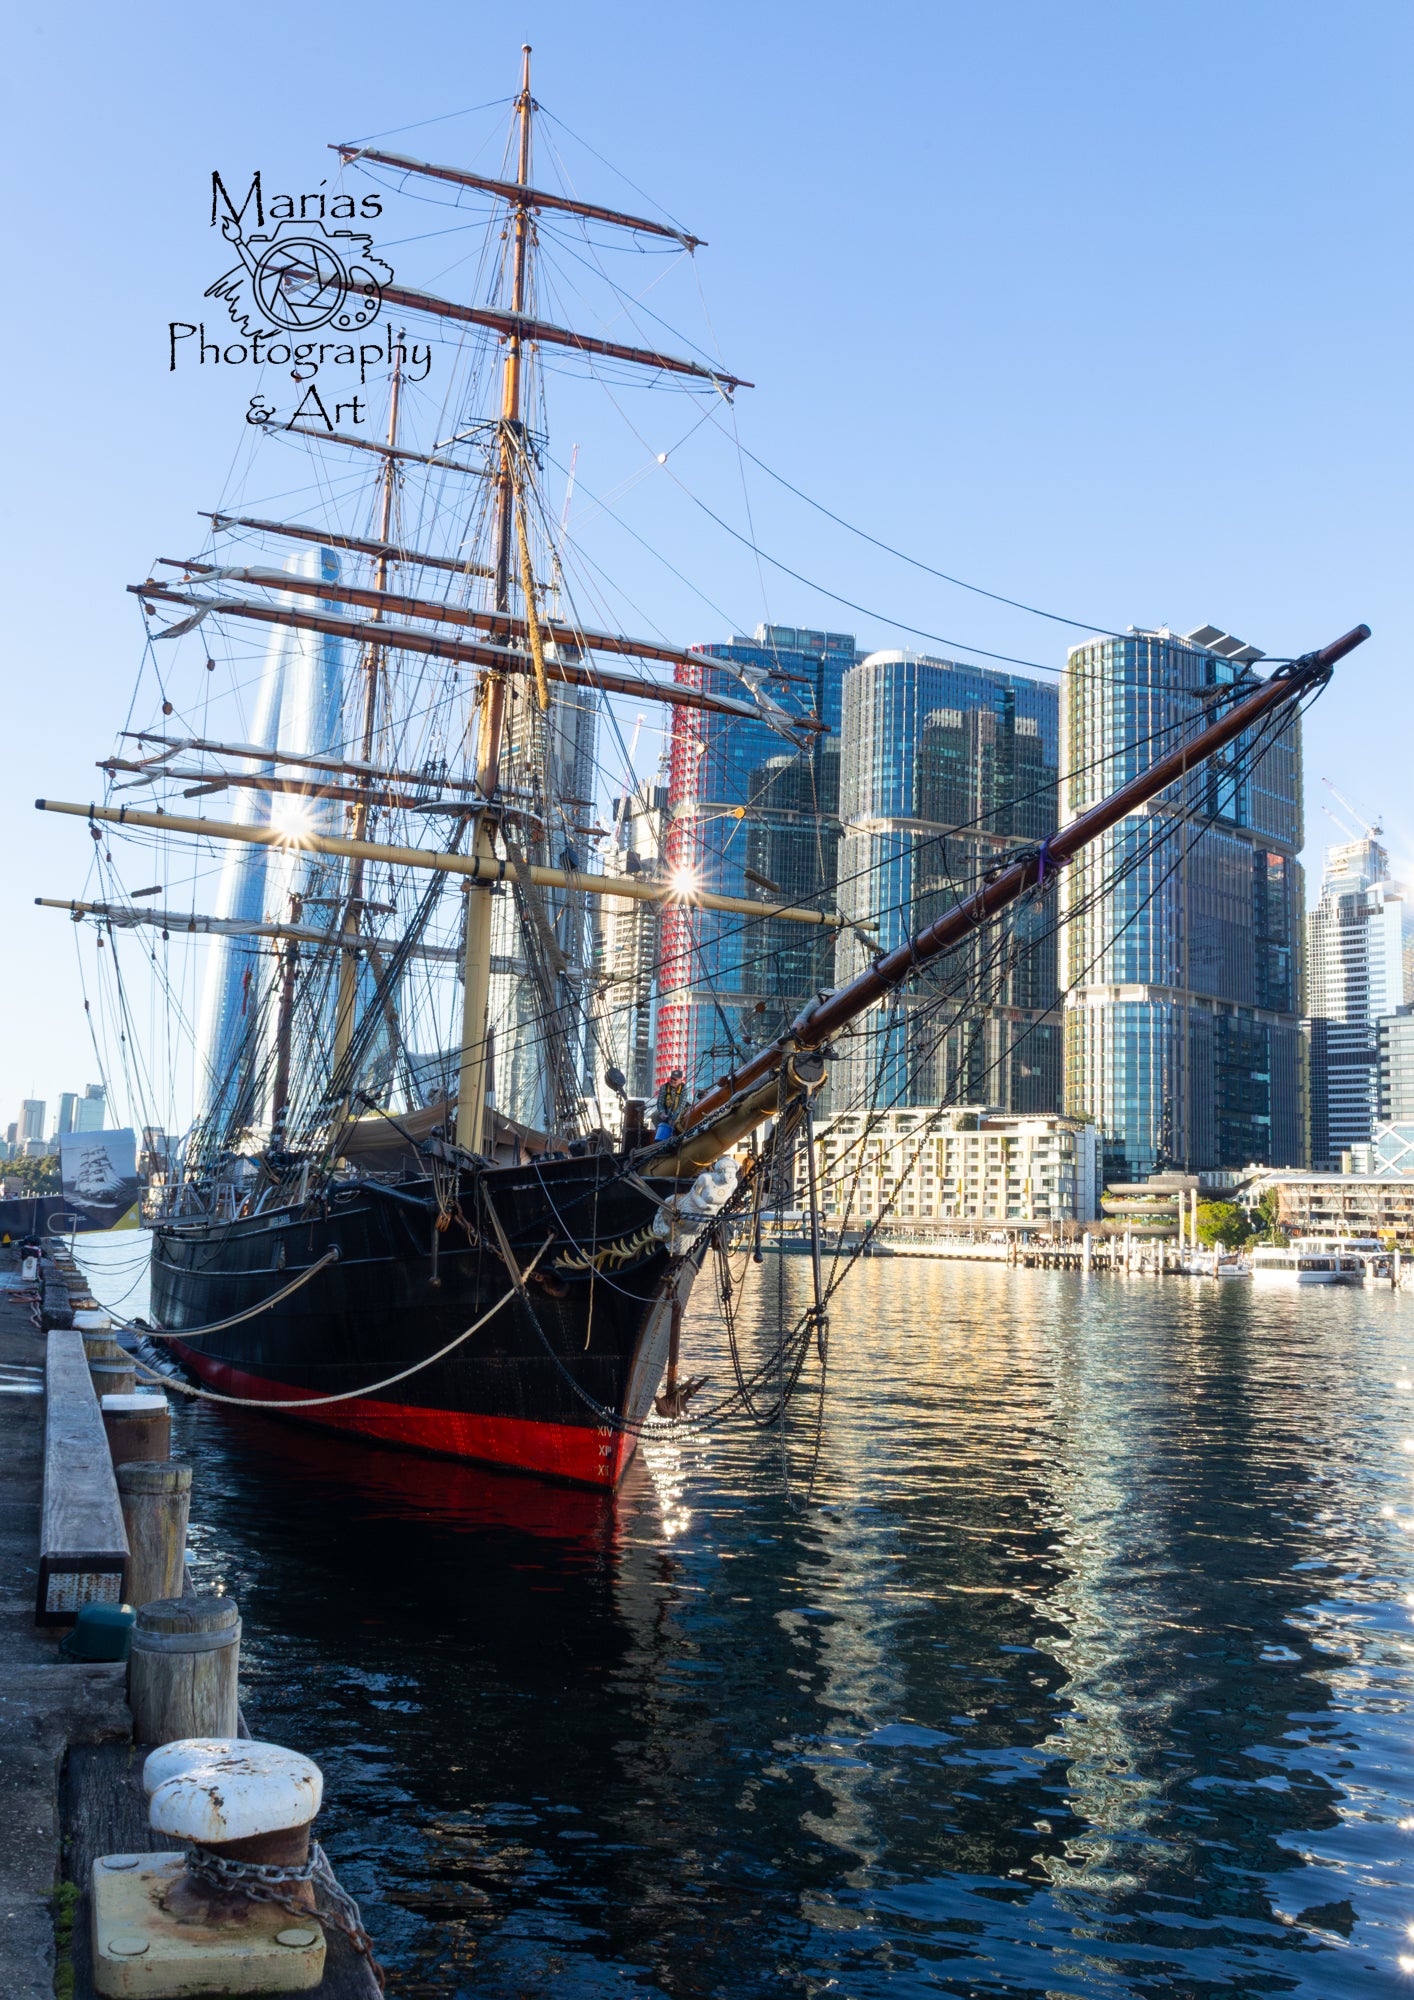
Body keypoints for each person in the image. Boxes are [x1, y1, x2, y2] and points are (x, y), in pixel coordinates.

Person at [654, 1068, 686, 1143]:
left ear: (680, 1080)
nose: (672, 1080)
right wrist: (662, 1113)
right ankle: (659, 1134)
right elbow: (660, 1102)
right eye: (671, 1078)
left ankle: (675, 1137)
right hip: (666, 1112)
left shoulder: (684, 1089)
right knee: (654, 1116)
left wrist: (673, 1118)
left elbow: (681, 1105)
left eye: (675, 1079)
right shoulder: (664, 1087)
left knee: (678, 1121)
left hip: (678, 1112)